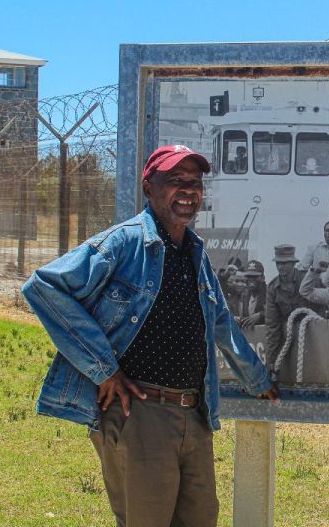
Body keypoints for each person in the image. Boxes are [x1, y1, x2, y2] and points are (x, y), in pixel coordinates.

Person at [22, 144, 278, 527]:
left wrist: (257, 379)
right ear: (149, 187)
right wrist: (104, 370)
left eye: (195, 183)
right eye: (175, 181)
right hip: (140, 415)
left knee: (201, 519)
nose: (188, 191)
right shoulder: (125, 243)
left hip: (195, 415)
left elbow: (221, 321)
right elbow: (44, 286)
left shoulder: (194, 252)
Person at [264, 244, 316, 372]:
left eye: (285, 263)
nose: (281, 267)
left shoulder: (306, 280)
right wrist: (271, 362)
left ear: (293, 263)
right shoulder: (272, 288)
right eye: (278, 263)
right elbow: (272, 326)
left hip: (314, 335)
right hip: (290, 338)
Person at [237, 260, 267, 328]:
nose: (251, 279)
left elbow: (279, 313)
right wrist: (238, 321)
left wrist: (261, 315)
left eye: (255, 276)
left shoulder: (270, 294)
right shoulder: (245, 295)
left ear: (263, 278)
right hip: (251, 336)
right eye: (248, 276)